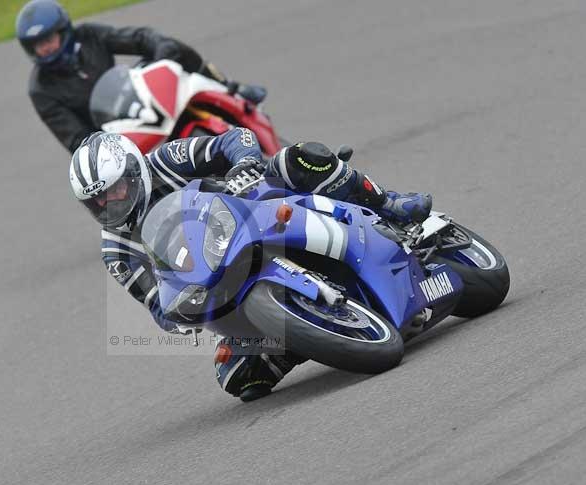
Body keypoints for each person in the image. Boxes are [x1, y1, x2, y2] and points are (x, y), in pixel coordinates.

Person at [68, 129, 432, 401]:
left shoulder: (166, 161)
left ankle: (390, 204)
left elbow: (233, 138)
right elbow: (154, 302)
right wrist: (175, 317)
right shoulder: (116, 251)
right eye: (97, 202)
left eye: (115, 189)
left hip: (254, 212)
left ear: (135, 170)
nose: (110, 203)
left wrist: (245, 163)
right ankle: (309, 333)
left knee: (301, 157)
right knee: (236, 376)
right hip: (222, 281)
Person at [16, 0, 267, 153]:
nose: (45, 48)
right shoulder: (40, 89)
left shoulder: (89, 35)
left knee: (173, 47)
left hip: (136, 99)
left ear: (63, 31)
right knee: (113, 202)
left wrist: (162, 53)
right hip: (112, 136)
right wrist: (103, 143)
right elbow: (74, 138)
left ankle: (230, 88)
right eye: (38, 45)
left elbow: (138, 38)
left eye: (48, 39)